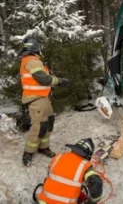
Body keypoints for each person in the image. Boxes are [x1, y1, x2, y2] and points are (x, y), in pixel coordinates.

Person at [19, 36, 73, 166]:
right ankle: (28, 152)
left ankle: (43, 147)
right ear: (35, 48)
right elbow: (44, 79)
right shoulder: (31, 61)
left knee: (49, 123)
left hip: (43, 98)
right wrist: (61, 81)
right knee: (39, 126)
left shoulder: (34, 60)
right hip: (36, 99)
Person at [33, 138, 103, 204]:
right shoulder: (85, 166)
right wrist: (91, 202)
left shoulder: (58, 157)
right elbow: (96, 183)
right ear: (88, 154)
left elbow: (51, 177)